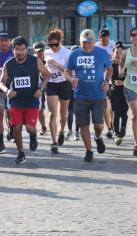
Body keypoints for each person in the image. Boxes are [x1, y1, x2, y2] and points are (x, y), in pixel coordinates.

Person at [0, 36, 49, 164]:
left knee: (29, 127)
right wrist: (7, 91)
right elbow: (1, 82)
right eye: (17, 49)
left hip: (32, 99)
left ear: (27, 49)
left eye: (23, 49)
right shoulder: (8, 64)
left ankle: (33, 137)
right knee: (16, 128)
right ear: (13, 50)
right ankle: (21, 153)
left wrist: (41, 88)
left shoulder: (35, 61)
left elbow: (47, 75)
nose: (20, 52)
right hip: (16, 99)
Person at [65, 29, 112, 162]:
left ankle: (98, 137)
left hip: (98, 95)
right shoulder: (74, 54)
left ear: (93, 42)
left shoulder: (102, 53)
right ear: (80, 42)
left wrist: (107, 81)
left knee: (98, 124)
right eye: (84, 43)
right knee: (83, 124)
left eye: (89, 42)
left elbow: (110, 68)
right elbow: (67, 71)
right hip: (80, 95)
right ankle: (89, 150)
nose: (86, 45)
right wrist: (71, 79)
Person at [44, 29, 71, 154]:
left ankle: (61, 131)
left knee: (63, 114)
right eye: (51, 45)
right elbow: (43, 69)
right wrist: (45, 68)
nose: (53, 47)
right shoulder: (46, 52)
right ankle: (53, 141)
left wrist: (56, 64)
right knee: (52, 113)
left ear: (60, 43)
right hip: (51, 84)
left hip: (64, 83)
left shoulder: (67, 53)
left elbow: (70, 71)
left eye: (55, 45)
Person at [119, 26, 137, 156]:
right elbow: (120, 64)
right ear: (130, 37)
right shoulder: (126, 52)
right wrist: (121, 73)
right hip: (130, 86)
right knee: (136, 114)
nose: (135, 37)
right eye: (133, 35)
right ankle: (136, 144)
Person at [96, 29, 115, 138]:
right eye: (102, 38)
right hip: (100, 80)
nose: (104, 40)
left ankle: (112, 125)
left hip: (112, 79)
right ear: (99, 38)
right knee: (105, 105)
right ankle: (109, 128)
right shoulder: (96, 46)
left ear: (109, 37)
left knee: (111, 106)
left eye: (106, 37)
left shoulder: (113, 46)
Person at [110, 42, 128, 146]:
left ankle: (123, 128)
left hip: (126, 92)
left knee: (124, 113)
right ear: (113, 54)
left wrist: (123, 82)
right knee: (116, 113)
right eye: (116, 53)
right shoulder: (111, 65)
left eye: (121, 53)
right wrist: (114, 82)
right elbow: (107, 78)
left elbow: (131, 78)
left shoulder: (127, 65)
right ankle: (116, 133)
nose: (118, 55)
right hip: (114, 92)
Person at [32, 41, 47, 136]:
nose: (39, 53)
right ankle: (34, 127)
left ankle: (43, 126)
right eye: (37, 51)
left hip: (45, 86)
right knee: (35, 109)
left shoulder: (48, 59)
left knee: (41, 110)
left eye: (41, 51)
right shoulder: (32, 60)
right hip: (35, 87)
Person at [66, 45, 81, 141]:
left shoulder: (82, 64)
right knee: (70, 112)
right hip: (69, 90)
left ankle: (77, 132)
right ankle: (69, 130)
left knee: (78, 112)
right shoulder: (68, 63)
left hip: (79, 91)